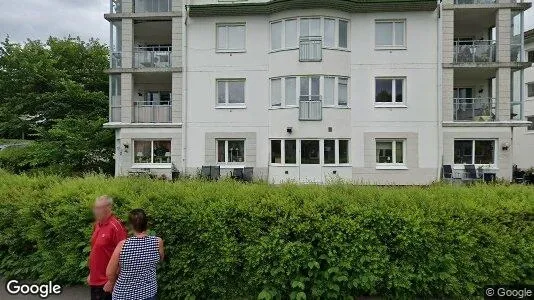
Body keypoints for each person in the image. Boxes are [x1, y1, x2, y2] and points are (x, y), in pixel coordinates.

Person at [105, 209, 164, 300]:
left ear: (130, 225)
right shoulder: (157, 242)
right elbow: (160, 259)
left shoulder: (123, 245)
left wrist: (111, 282)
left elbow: (109, 272)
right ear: (146, 223)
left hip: (124, 295)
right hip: (149, 293)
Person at [88, 196, 128, 300]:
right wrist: (91, 274)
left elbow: (123, 255)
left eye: (99, 207)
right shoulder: (97, 225)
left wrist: (111, 281)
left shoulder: (115, 226)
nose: (96, 211)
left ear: (108, 208)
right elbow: (95, 251)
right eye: (95, 207)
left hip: (107, 283)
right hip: (95, 281)